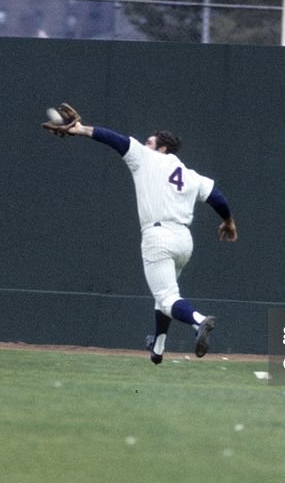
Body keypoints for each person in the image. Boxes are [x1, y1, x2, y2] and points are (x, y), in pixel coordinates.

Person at [47, 110, 237, 364]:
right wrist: (228, 222)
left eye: (149, 142)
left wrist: (81, 129)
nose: (144, 144)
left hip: (158, 237)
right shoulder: (190, 175)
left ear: (162, 148)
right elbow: (217, 198)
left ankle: (198, 321)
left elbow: (116, 140)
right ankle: (158, 349)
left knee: (168, 298)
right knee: (165, 298)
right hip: (183, 240)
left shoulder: (147, 158)